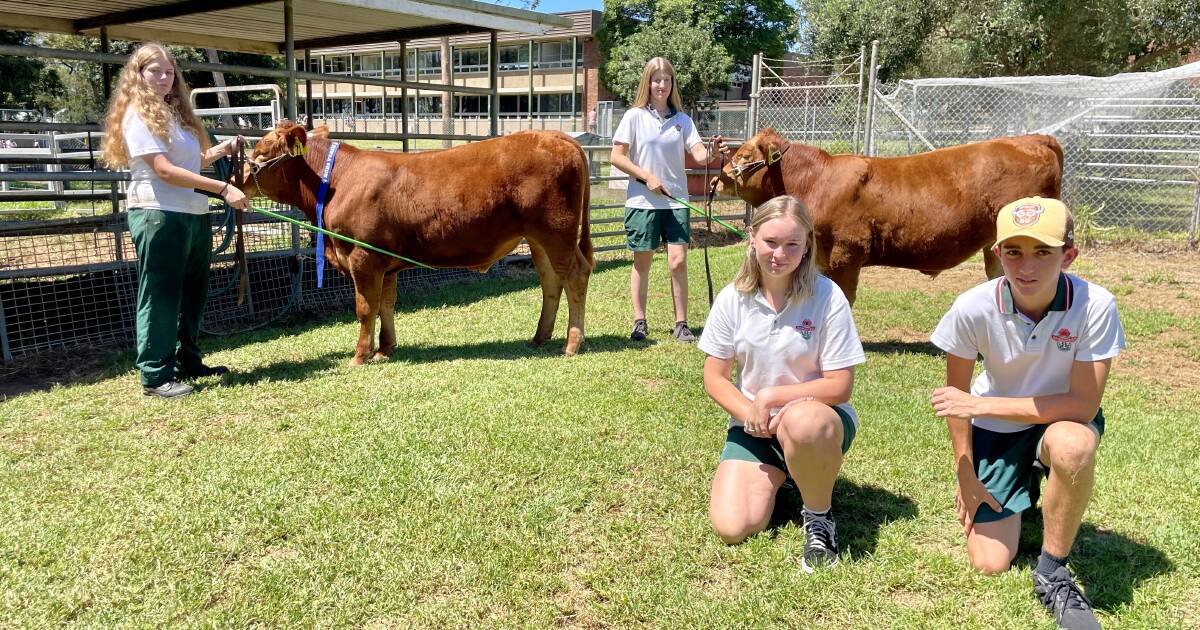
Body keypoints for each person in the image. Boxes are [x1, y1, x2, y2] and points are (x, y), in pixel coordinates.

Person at [930, 197, 1125, 630]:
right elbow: (955, 399)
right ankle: (1028, 484)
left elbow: (1082, 405)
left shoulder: (1095, 305)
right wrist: (966, 472)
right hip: (996, 431)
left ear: (1068, 255)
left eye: (1043, 252)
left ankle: (1053, 570)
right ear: (997, 253)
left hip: (1060, 420)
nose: (1026, 267)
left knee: (1072, 446)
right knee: (991, 562)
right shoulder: (972, 306)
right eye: (1014, 251)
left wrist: (983, 404)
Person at [699, 195, 866, 573]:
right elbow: (715, 378)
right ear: (752, 237)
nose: (780, 253)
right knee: (733, 527)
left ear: (808, 244)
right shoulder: (732, 299)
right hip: (755, 423)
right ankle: (792, 474)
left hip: (818, 420)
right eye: (771, 242)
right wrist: (753, 415)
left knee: (802, 423)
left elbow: (840, 386)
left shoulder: (827, 296)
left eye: (793, 244)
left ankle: (819, 517)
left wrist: (773, 398)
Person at [101, 42, 248, 399]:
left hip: (192, 212)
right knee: (161, 294)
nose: (165, 78)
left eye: (169, 72)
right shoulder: (137, 114)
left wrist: (220, 150)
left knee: (194, 292)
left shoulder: (173, 114)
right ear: (139, 75)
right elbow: (165, 170)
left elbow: (189, 163)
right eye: (156, 71)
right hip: (158, 213)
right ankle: (154, 375)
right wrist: (222, 189)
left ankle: (189, 360)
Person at [610, 57, 728, 343]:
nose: (661, 85)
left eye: (666, 80)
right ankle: (640, 321)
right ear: (647, 83)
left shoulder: (683, 121)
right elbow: (616, 157)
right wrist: (646, 177)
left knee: (678, 262)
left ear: (672, 84)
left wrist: (713, 153)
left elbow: (699, 155)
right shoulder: (634, 116)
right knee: (642, 262)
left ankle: (681, 323)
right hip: (642, 203)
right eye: (656, 80)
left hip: (676, 201)